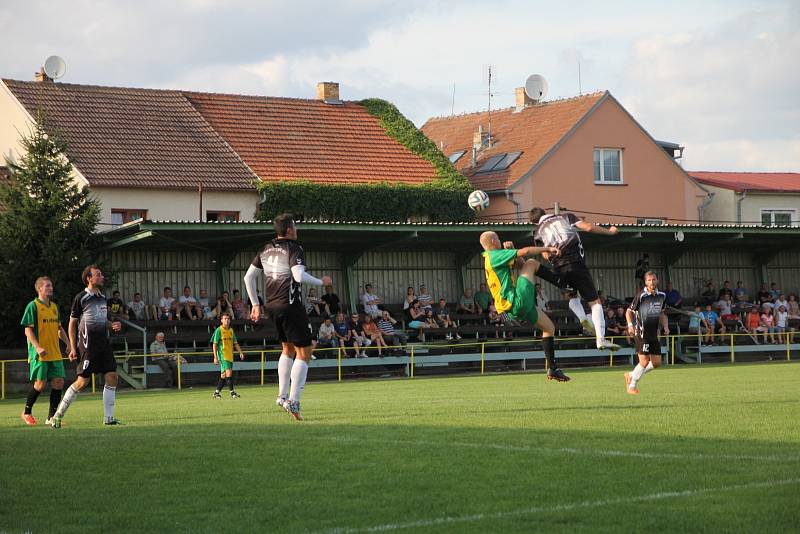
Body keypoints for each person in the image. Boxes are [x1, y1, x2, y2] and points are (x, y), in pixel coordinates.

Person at [244, 213, 332, 421]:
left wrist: (256, 304)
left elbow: (248, 277)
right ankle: (293, 400)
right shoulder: (294, 248)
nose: (297, 229)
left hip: (272, 306)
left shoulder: (266, 249)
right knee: (305, 351)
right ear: (290, 229)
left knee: (287, 349)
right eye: (295, 226)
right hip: (291, 305)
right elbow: (298, 276)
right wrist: (322, 281)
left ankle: (282, 395)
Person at [480, 230, 570, 381]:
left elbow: (521, 266)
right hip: (515, 300)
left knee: (549, 328)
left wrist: (512, 250)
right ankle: (563, 284)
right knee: (532, 262)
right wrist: (548, 249)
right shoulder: (494, 255)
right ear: (494, 242)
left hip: (514, 308)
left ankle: (553, 369)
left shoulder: (491, 258)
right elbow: (527, 252)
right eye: (498, 238)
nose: (501, 240)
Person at [528, 207, 621, 351]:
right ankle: (601, 339)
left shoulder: (537, 232)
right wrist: (610, 232)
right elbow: (588, 228)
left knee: (572, 297)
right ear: (545, 214)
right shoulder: (566, 217)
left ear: (534, 222)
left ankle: (582, 318)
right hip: (576, 263)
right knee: (595, 303)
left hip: (559, 268)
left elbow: (545, 256)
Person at [51, 265, 123, 428]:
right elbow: (72, 323)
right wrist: (73, 347)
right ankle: (57, 415)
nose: (102, 276)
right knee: (82, 382)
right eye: (98, 274)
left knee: (112, 376)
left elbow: (101, 321)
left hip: (103, 345)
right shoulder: (81, 297)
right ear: (89, 279)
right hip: (88, 346)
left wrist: (112, 325)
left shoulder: (103, 298)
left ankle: (109, 418)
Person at [20, 276, 69, 426]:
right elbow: (28, 330)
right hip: (39, 353)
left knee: (59, 382)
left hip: (55, 353)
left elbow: (59, 329)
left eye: (51, 286)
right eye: (47, 286)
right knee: (40, 384)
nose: (51, 288)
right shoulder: (33, 306)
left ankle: (51, 417)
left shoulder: (54, 307)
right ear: (39, 288)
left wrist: (68, 344)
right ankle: (26, 412)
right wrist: (37, 347)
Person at [624, 271, 668, 395]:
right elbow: (629, 311)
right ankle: (632, 386)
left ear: (657, 280)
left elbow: (662, 313)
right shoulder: (642, 295)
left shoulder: (662, 296)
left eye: (653, 279)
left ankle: (631, 374)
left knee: (656, 363)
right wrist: (630, 325)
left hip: (654, 334)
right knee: (644, 361)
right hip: (642, 334)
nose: (652, 282)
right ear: (645, 282)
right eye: (649, 280)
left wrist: (665, 326)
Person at [211, 312, 244, 398]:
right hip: (223, 356)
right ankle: (232, 392)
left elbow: (235, 343)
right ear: (221, 320)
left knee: (224, 376)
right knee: (229, 373)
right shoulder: (219, 330)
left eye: (228, 319)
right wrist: (215, 357)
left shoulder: (231, 330)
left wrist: (240, 352)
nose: (227, 320)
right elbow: (214, 344)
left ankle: (216, 392)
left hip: (230, 356)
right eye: (225, 319)